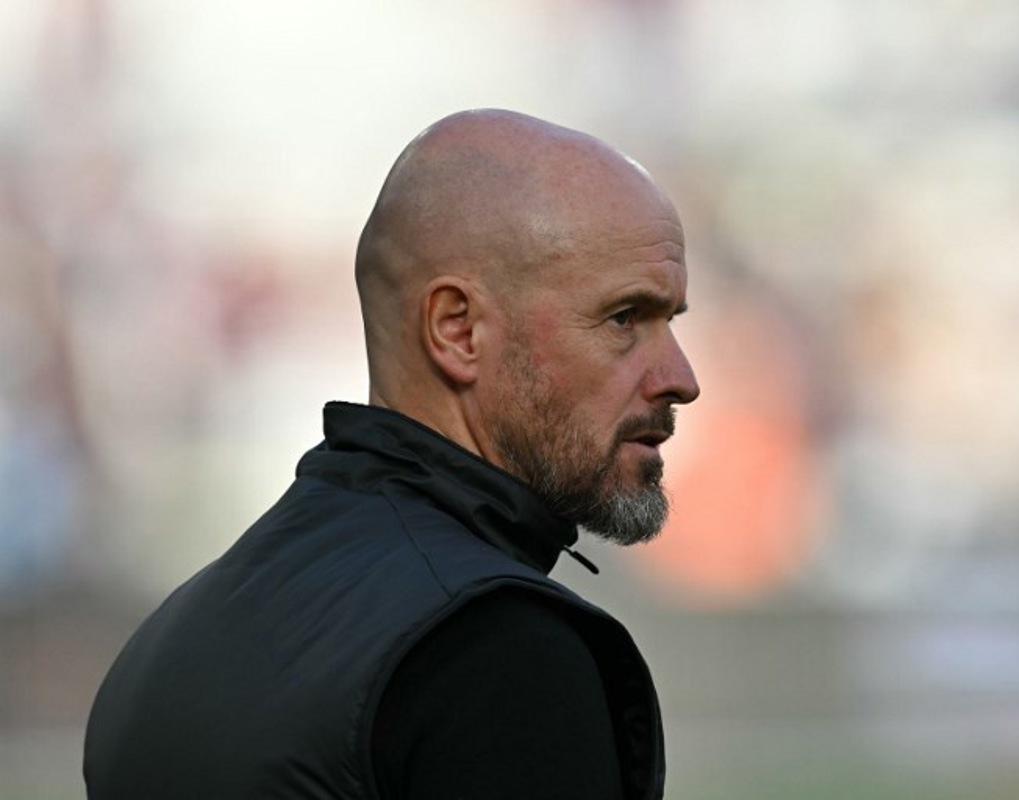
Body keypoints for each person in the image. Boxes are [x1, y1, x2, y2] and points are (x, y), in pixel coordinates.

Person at [83, 109, 699, 799]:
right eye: (625, 319)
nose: (680, 378)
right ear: (457, 330)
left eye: (669, 322)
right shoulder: (494, 649)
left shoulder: (175, 636)